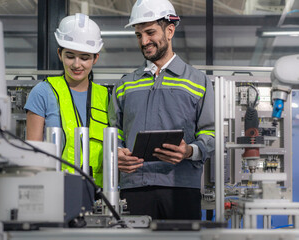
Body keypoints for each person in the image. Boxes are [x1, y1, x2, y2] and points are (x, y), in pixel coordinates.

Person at [108, 0, 215, 220]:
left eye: (150, 32)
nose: (144, 41)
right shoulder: (125, 84)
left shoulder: (198, 81)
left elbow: (210, 134)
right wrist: (117, 153)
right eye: (138, 35)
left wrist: (189, 151)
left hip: (181, 188)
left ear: (169, 30)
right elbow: (114, 131)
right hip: (134, 187)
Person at [24, 13, 108, 187]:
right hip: (56, 189)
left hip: (100, 194)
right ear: (60, 54)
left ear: (95, 58)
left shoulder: (106, 96)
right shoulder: (43, 92)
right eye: (70, 56)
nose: (77, 64)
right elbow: (33, 152)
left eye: (84, 57)